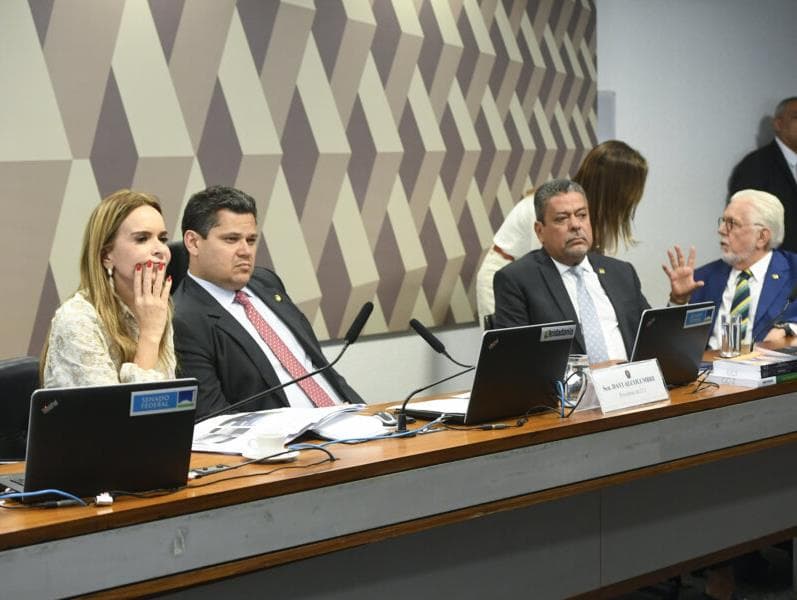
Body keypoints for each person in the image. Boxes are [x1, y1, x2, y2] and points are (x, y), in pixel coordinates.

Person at [172, 185, 363, 418]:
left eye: (251, 240)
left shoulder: (267, 282)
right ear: (193, 242)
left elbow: (316, 365)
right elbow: (214, 418)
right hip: (295, 436)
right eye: (231, 239)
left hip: (350, 416)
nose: (246, 251)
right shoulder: (183, 319)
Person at [476, 140, 647, 322]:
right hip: (505, 281)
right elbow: (544, 272)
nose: (634, 197)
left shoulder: (598, 213)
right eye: (631, 188)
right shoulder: (546, 208)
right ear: (613, 186)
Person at [493, 178, 649, 362]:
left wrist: (675, 301)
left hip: (631, 378)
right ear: (540, 231)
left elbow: (650, 336)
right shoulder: (517, 280)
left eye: (582, 215)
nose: (575, 225)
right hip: (570, 382)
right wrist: (589, 373)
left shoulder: (621, 272)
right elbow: (515, 360)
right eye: (562, 219)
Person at [41, 190, 174, 387]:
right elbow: (120, 406)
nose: (160, 250)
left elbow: (167, 399)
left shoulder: (156, 308)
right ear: (106, 256)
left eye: (162, 239)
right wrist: (150, 336)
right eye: (142, 239)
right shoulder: (76, 320)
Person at [664, 189, 797, 349]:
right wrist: (679, 301)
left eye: (732, 223)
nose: (721, 230)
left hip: (765, 363)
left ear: (762, 237)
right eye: (723, 221)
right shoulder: (701, 278)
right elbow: (672, 345)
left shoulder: (793, 272)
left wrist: (790, 329)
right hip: (709, 363)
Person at [729, 97, 797, 252]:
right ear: (778, 124)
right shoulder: (756, 165)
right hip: (777, 261)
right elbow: (745, 221)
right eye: (796, 117)